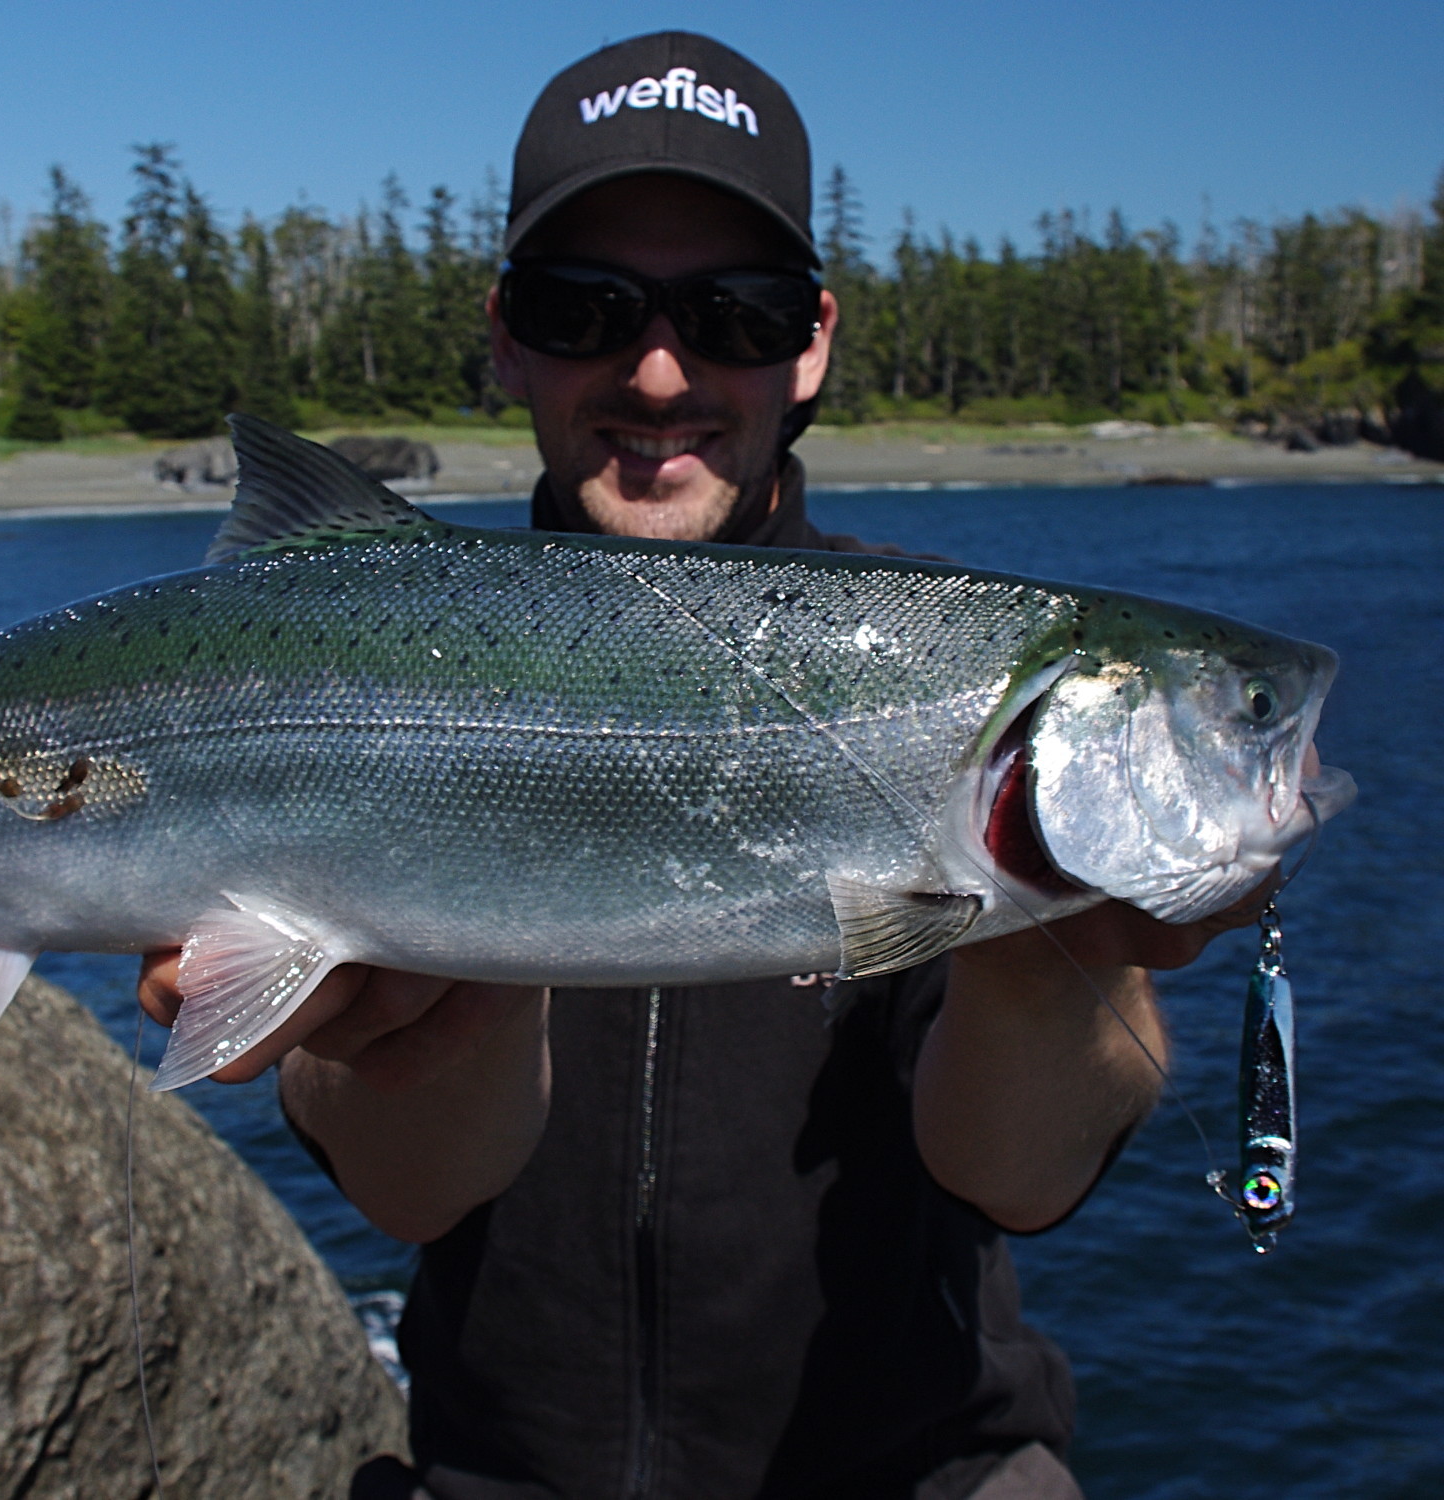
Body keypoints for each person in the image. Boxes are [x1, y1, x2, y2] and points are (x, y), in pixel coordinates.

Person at [141, 32, 1273, 1500]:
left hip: (919, 1470)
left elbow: (1020, 1178)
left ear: (812, 340)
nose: (660, 369)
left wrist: (1040, 929)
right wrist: (435, 1001)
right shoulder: (351, 672)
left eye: (732, 313)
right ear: (506, 336)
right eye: (585, 306)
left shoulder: (946, 673)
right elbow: (412, 1191)